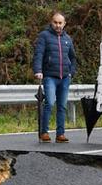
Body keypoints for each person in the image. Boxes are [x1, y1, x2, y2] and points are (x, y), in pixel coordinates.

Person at [32, 11, 78, 143]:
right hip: (50, 76)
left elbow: (73, 58)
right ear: (51, 23)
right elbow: (38, 54)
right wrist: (38, 70)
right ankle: (44, 132)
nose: (58, 25)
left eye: (60, 23)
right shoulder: (44, 36)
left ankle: (60, 134)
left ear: (64, 24)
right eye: (55, 22)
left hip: (65, 78)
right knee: (50, 102)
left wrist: (71, 72)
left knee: (62, 106)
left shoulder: (68, 39)